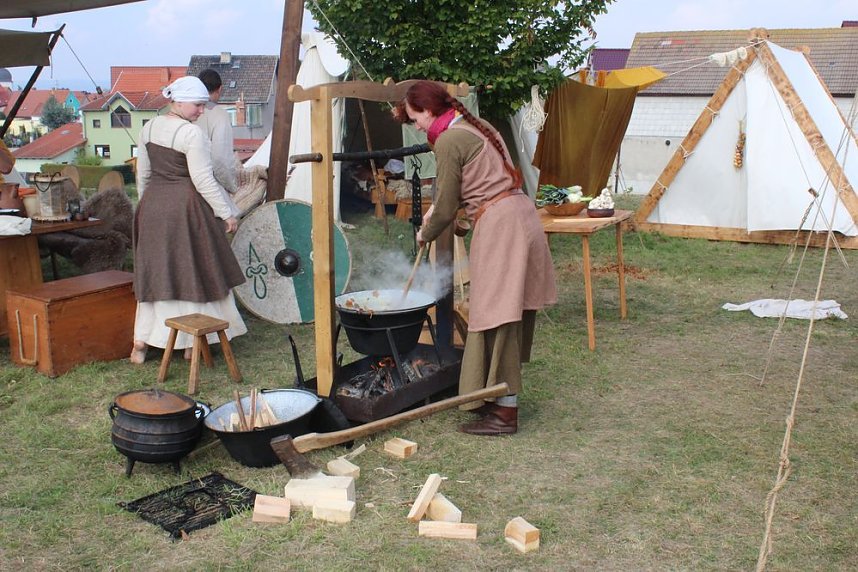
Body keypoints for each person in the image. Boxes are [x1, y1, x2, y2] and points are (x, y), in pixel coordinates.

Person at [393, 80, 557, 436]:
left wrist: (425, 232)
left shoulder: (451, 139)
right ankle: (496, 400)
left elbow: (447, 204)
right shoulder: (475, 126)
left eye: (415, 118)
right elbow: (479, 187)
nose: (417, 126)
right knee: (504, 314)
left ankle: (504, 413)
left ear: (430, 109)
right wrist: (460, 220)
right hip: (517, 214)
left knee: (496, 315)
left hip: (502, 226)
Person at [130, 76, 246, 364]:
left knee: (158, 271)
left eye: (204, 105)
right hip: (184, 208)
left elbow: (143, 175)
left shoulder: (148, 127)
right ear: (178, 102)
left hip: (154, 205)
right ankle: (191, 344)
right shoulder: (192, 135)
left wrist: (146, 207)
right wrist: (226, 212)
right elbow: (204, 179)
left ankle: (141, 343)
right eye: (197, 105)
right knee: (192, 269)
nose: (201, 111)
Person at [194, 68, 238, 196]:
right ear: (220, 89)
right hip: (210, 187)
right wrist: (232, 187)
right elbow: (221, 159)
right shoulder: (219, 114)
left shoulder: (184, 112)